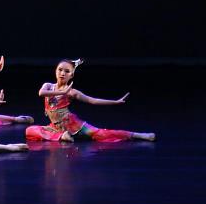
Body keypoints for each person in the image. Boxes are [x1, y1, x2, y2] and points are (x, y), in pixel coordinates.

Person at [25, 59, 155, 142]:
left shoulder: (72, 92)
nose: (62, 73)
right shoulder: (48, 86)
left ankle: (137, 135)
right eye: (60, 70)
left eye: (67, 71)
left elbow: (93, 101)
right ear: (55, 70)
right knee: (29, 130)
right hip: (56, 128)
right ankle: (61, 136)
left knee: (102, 134)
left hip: (73, 125)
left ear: (71, 75)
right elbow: (41, 93)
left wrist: (115, 102)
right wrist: (62, 92)